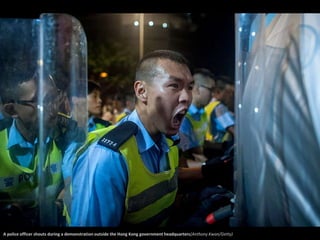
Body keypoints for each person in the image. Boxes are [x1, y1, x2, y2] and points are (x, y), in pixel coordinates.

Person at [71, 49, 194, 227]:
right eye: (174, 86)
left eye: (190, 88)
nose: (186, 98)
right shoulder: (107, 157)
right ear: (142, 91)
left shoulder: (170, 142)